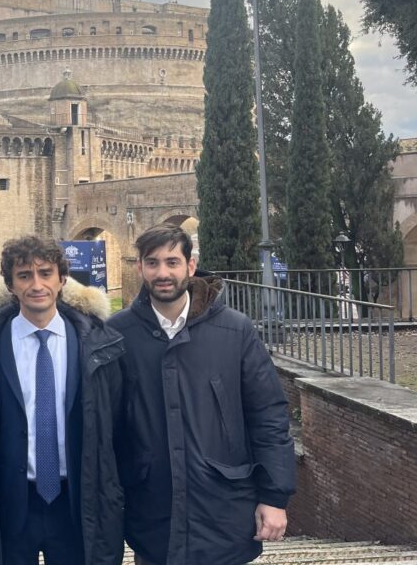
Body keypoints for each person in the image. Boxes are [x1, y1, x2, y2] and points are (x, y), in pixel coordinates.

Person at [109, 223, 296, 565]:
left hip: (223, 509)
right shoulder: (118, 334)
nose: (162, 273)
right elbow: (107, 427)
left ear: (190, 266)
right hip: (152, 513)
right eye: (152, 263)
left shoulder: (235, 330)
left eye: (172, 262)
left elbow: (268, 416)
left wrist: (274, 496)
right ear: (140, 269)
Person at [0, 235, 125, 565]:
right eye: (24, 275)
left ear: (62, 279)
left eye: (45, 273)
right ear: (10, 285)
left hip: (75, 503)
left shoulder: (97, 346)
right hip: (10, 503)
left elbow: (117, 426)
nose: (37, 285)